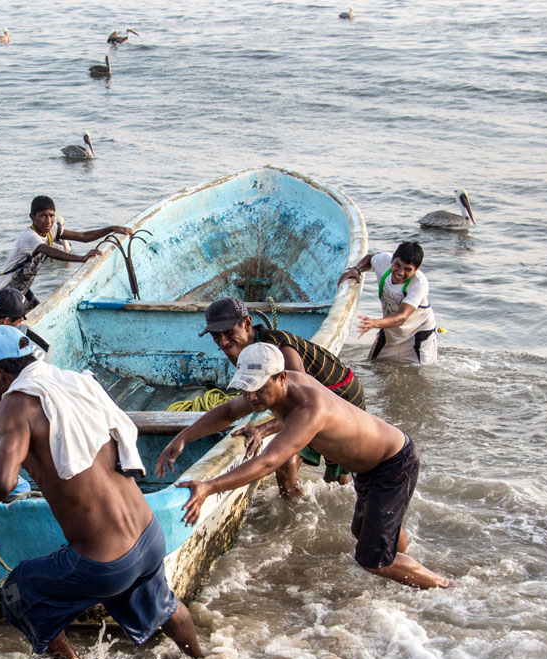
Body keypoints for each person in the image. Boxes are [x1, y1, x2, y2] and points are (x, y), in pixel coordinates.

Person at [0, 326, 203, 659]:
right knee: (165, 605)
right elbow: (1, 464)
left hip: (106, 563)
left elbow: (2, 482)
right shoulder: (72, 382)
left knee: (21, 591)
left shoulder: (14, 404)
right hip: (149, 536)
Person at [155, 343, 451, 590]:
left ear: (281, 378)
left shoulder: (310, 409)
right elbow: (229, 411)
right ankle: (404, 562)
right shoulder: (269, 390)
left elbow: (269, 462)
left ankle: (444, 588)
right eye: (246, 389)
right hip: (371, 466)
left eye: (257, 389)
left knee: (372, 559)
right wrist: (183, 437)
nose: (252, 397)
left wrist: (209, 486)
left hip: (393, 462)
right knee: (366, 533)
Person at [198, 296, 368, 494]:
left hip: (343, 395)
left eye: (228, 333)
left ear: (247, 323)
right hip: (312, 403)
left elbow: (302, 405)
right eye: (216, 336)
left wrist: (262, 430)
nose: (223, 342)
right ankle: (295, 512)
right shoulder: (242, 350)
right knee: (286, 464)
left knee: (336, 472)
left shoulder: (282, 348)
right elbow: (231, 410)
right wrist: (182, 439)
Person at [0, 195, 133, 302]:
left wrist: (111, 228)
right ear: (32, 217)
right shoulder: (30, 236)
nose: (48, 221)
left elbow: (84, 236)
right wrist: (81, 258)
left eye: (51, 215)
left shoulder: (51, 230)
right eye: (43, 216)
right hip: (6, 290)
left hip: (22, 290)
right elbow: (50, 252)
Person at [340, 241, 438, 365]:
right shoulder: (384, 261)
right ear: (392, 260)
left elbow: (401, 317)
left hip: (417, 334)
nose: (400, 272)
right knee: (373, 365)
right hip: (391, 329)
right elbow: (370, 259)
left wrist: (374, 323)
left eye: (407, 269)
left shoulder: (419, 284)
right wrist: (356, 269)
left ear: (417, 269)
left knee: (420, 374)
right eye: (397, 265)